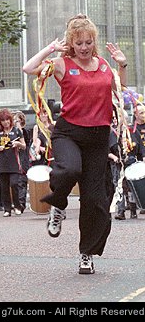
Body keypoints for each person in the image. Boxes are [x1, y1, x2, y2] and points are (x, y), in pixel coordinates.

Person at [22, 14, 127, 274]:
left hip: (98, 137)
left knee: (96, 201)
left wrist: (122, 65)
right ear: (71, 42)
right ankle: (58, 204)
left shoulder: (104, 65)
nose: (84, 47)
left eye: (88, 42)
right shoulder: (61, 64)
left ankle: (86, 254)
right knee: (70, 170)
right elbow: (28, 68)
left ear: (94, 42)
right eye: (79, 43)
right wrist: (50, 48)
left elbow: (120, 90)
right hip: (68, 132)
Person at [0, 108, 27, 217]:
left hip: (14, 161)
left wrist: (17, 144)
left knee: (14, 183)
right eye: (3, 121)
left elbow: (24, 145)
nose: (6, 122)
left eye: (7, 120)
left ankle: (17, 206)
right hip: (2, 162)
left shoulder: (17, 131)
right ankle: (7, 209)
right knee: (4, 186)